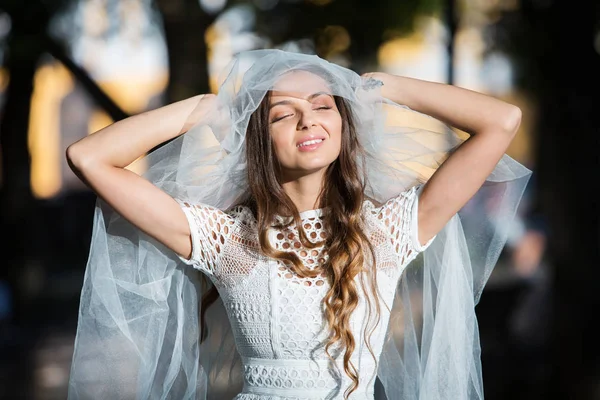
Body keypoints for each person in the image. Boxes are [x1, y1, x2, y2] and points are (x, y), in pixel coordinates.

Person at [65, 49, 531, 399]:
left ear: (345, 126)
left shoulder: (386, 231)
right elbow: (88, 157)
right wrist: (206, 108)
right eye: (283, 114)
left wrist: (383, 88)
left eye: (323, 105)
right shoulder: (228, 238)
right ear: (261, 142)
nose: (307, 120)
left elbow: (502, 120)